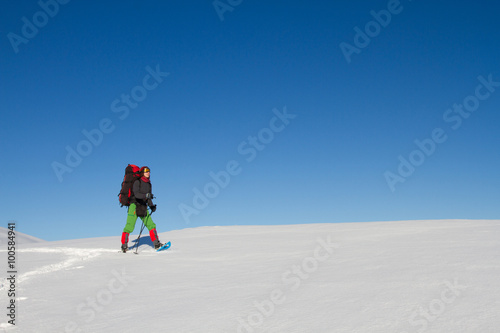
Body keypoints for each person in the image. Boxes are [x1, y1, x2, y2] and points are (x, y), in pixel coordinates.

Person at [120, 166, 162, 252]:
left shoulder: (149, 184)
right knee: (129, 226)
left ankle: (156, 244)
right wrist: (145, 196)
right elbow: (136, 194)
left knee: (151, 224)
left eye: (149, 171)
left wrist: (151, 206)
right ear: (142, 172)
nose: (148, 172)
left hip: (143, 206)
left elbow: (148, 197)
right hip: (134, 206)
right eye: (146, 171)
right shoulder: (137, 182)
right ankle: (124, 245)